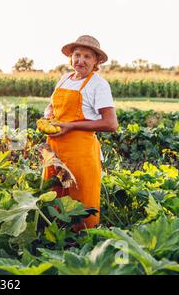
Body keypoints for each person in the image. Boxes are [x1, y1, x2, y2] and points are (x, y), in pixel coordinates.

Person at [44, 35, 118, 230]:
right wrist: (47, 116)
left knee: (80, 201)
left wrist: (72, 126)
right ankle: (55, 241)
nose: (81, 60)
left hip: (80, 152)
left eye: (87, 56)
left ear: (96, 61)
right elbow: (51, 106)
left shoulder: (98, 85)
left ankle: (82, 248)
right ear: (71, 58)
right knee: (54, 195)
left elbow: (111, 123)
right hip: (54, 150)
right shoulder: (64, 79)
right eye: (77, 55)